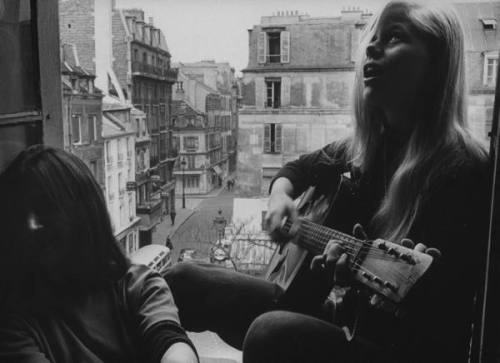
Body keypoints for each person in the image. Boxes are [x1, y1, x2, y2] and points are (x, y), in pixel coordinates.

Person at [165, 1, 489, 362]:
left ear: (436, 64)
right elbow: (295, 170)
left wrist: (355, 286)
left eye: (395, 36)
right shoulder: (360, 148)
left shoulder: (463, 169)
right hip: (323, 301)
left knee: (269, 334)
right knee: (178, 282)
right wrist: (280, 198)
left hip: (385, 344)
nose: (371, 47)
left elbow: (440, 322)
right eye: (373, 37)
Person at [0, 145, 198, 363]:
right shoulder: (14, 321)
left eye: (45, 209)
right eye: (20, 215)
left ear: (83, 214)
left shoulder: (138, 286)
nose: (32, 225)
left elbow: (170, 342)